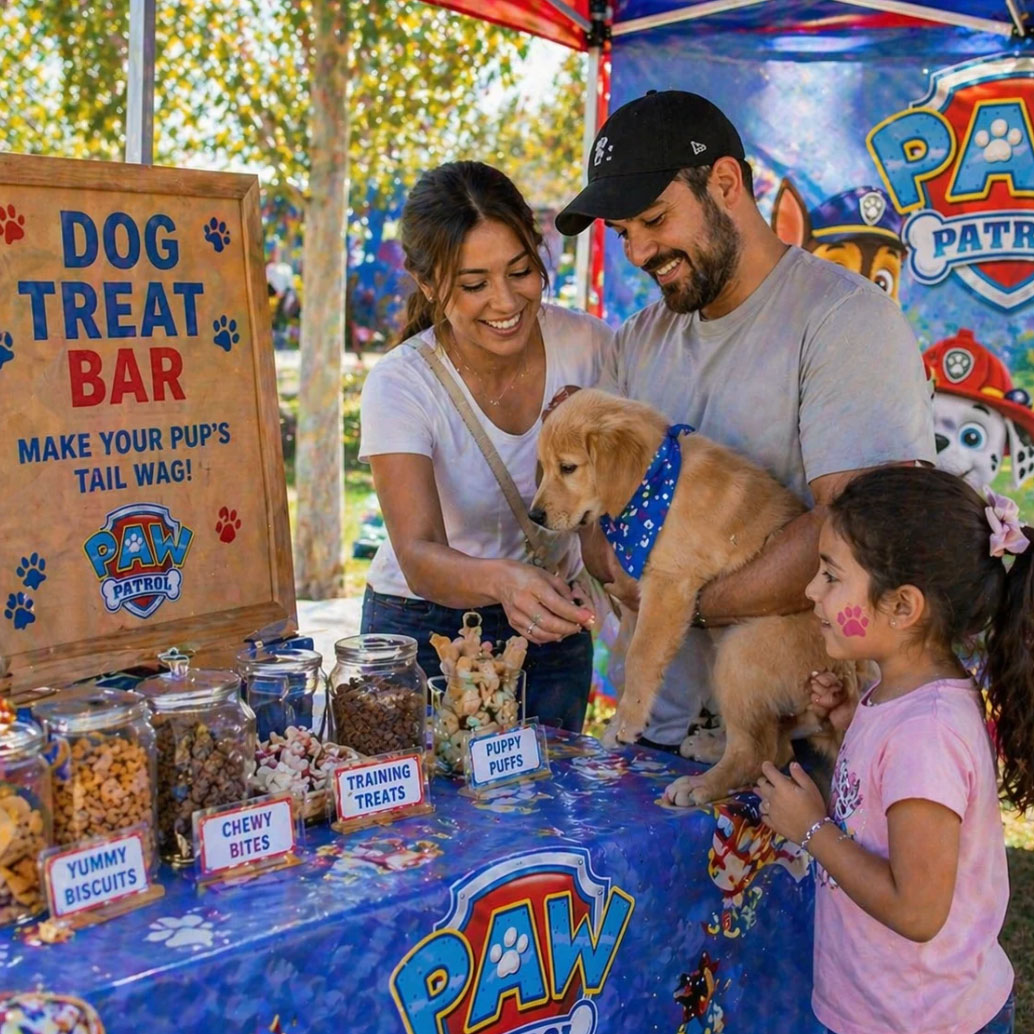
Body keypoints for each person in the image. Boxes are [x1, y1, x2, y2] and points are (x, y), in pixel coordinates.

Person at [554, 90, 935, 752]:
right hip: (656, 737)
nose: (639, 252)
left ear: (725, 183)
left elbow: (856, 529)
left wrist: (678, 597)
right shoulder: (639, 340)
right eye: (623, 235)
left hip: (802, 741)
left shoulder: (844, 323)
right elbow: (594, 517)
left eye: (654, 219)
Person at [753, 465, 1028, 1034]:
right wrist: (850, 721)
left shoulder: (926, 733)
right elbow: (888, 793)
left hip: (918, 1019)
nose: (811, 591)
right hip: (883, 1005)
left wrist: (811, 828)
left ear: (903, 607)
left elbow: (918, 910)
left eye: (830, 576)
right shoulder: (904, 694)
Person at [359, 161, 614, 732]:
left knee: (543, 809)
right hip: (423, 630)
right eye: (474, 285)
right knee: (428, 816)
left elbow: (626, 493)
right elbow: (419, 552)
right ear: (428, 285)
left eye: (521, 271)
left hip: (551, 629)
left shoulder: (591, 347)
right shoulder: (402, 382)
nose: (505, 302)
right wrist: (504, 581)